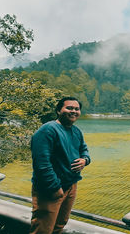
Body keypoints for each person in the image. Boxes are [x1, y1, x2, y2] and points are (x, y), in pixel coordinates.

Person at [30, 96, 91, 234]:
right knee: (43, 228)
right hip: (50, 188)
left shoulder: (76, 131)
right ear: (58, 110)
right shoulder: (48, 130)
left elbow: (84, 149)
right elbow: (41, 163)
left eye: (77, 109)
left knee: (59, 226)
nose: (73, 111)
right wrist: (54, 187)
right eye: (69, 108)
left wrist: (85, 160)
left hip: (71, 185)